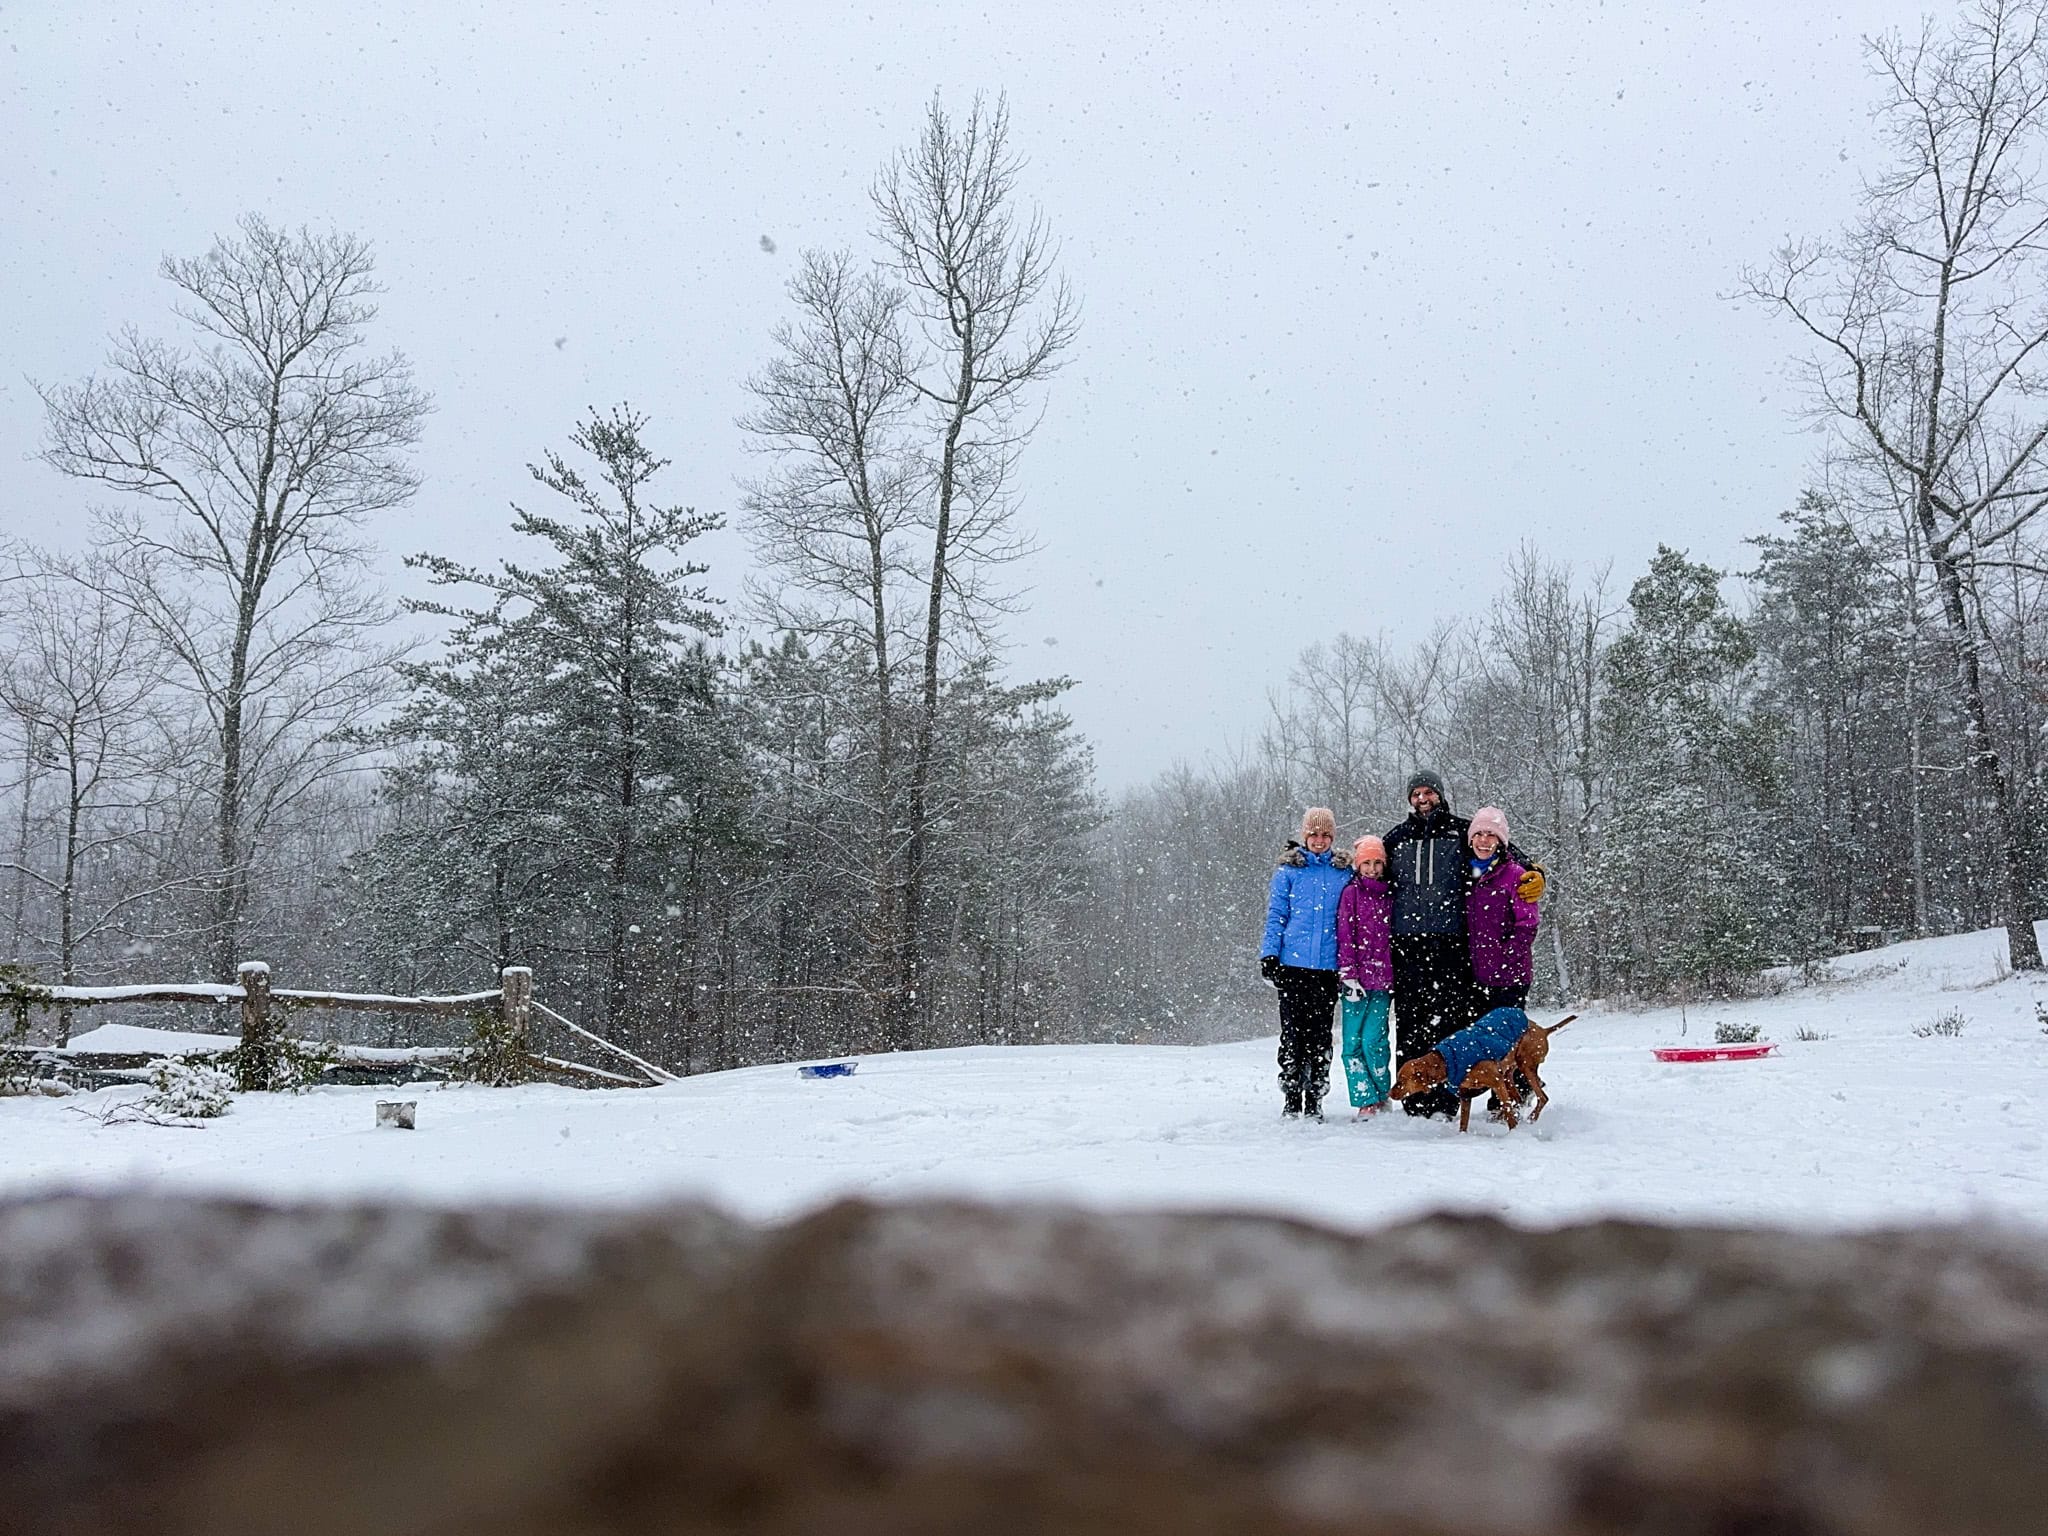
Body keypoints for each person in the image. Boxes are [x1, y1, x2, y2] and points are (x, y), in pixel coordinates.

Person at [1381, 771, 1545, 1120]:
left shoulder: (1462, 831)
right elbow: (1368, 871)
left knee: (1451, 1023)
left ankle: (1449, 1097)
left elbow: (1505, 854)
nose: (1423, 799)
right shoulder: (1396, 838)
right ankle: (1417, 1101)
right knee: (1411, 1022)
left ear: (1440, 795)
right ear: (1409, 798)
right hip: (1407, 944)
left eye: (1429, 792)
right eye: (1416, 793)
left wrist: (1535, 873)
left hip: (1452, 944)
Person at [1259, 806, 1350, 1119]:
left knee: (1320, 1036)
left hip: (1327, 968)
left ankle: (1315, 1097)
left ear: (1332, 837)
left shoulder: (1343, 873)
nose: (1319, 840)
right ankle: (1291, 1094)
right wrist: (1270, 954)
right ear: (1305, 836)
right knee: (1292, 1034)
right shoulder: (1289, 872)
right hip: (1293, 966)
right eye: (1314, 834)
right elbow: (1277, 915)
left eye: (1325, 835)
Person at [1336, 834, 1394, 1118]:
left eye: (1377, 863)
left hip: (1383, 982)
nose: (1372, 869)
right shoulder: (1351, 894)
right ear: (1358, 865)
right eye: (1366, 863)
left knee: (1374, 1040)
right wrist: (1348, 973)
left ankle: (1382, 1095)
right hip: (1354, 982)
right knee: (1352, 1043)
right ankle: (1364, 1098)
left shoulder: (1391, 895)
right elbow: (1345, 935)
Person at [1465, 806, 1539, 1014]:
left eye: (1491, 835)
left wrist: (1505, 956)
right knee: (1479, 1034)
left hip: (1510, 978)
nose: (1484, 840)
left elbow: (1528, 924)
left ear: (1500, 841)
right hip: (1474, 978)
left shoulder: (1515, 875)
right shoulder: (1465, 874)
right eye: (1478, 834)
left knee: (1504, 1032)